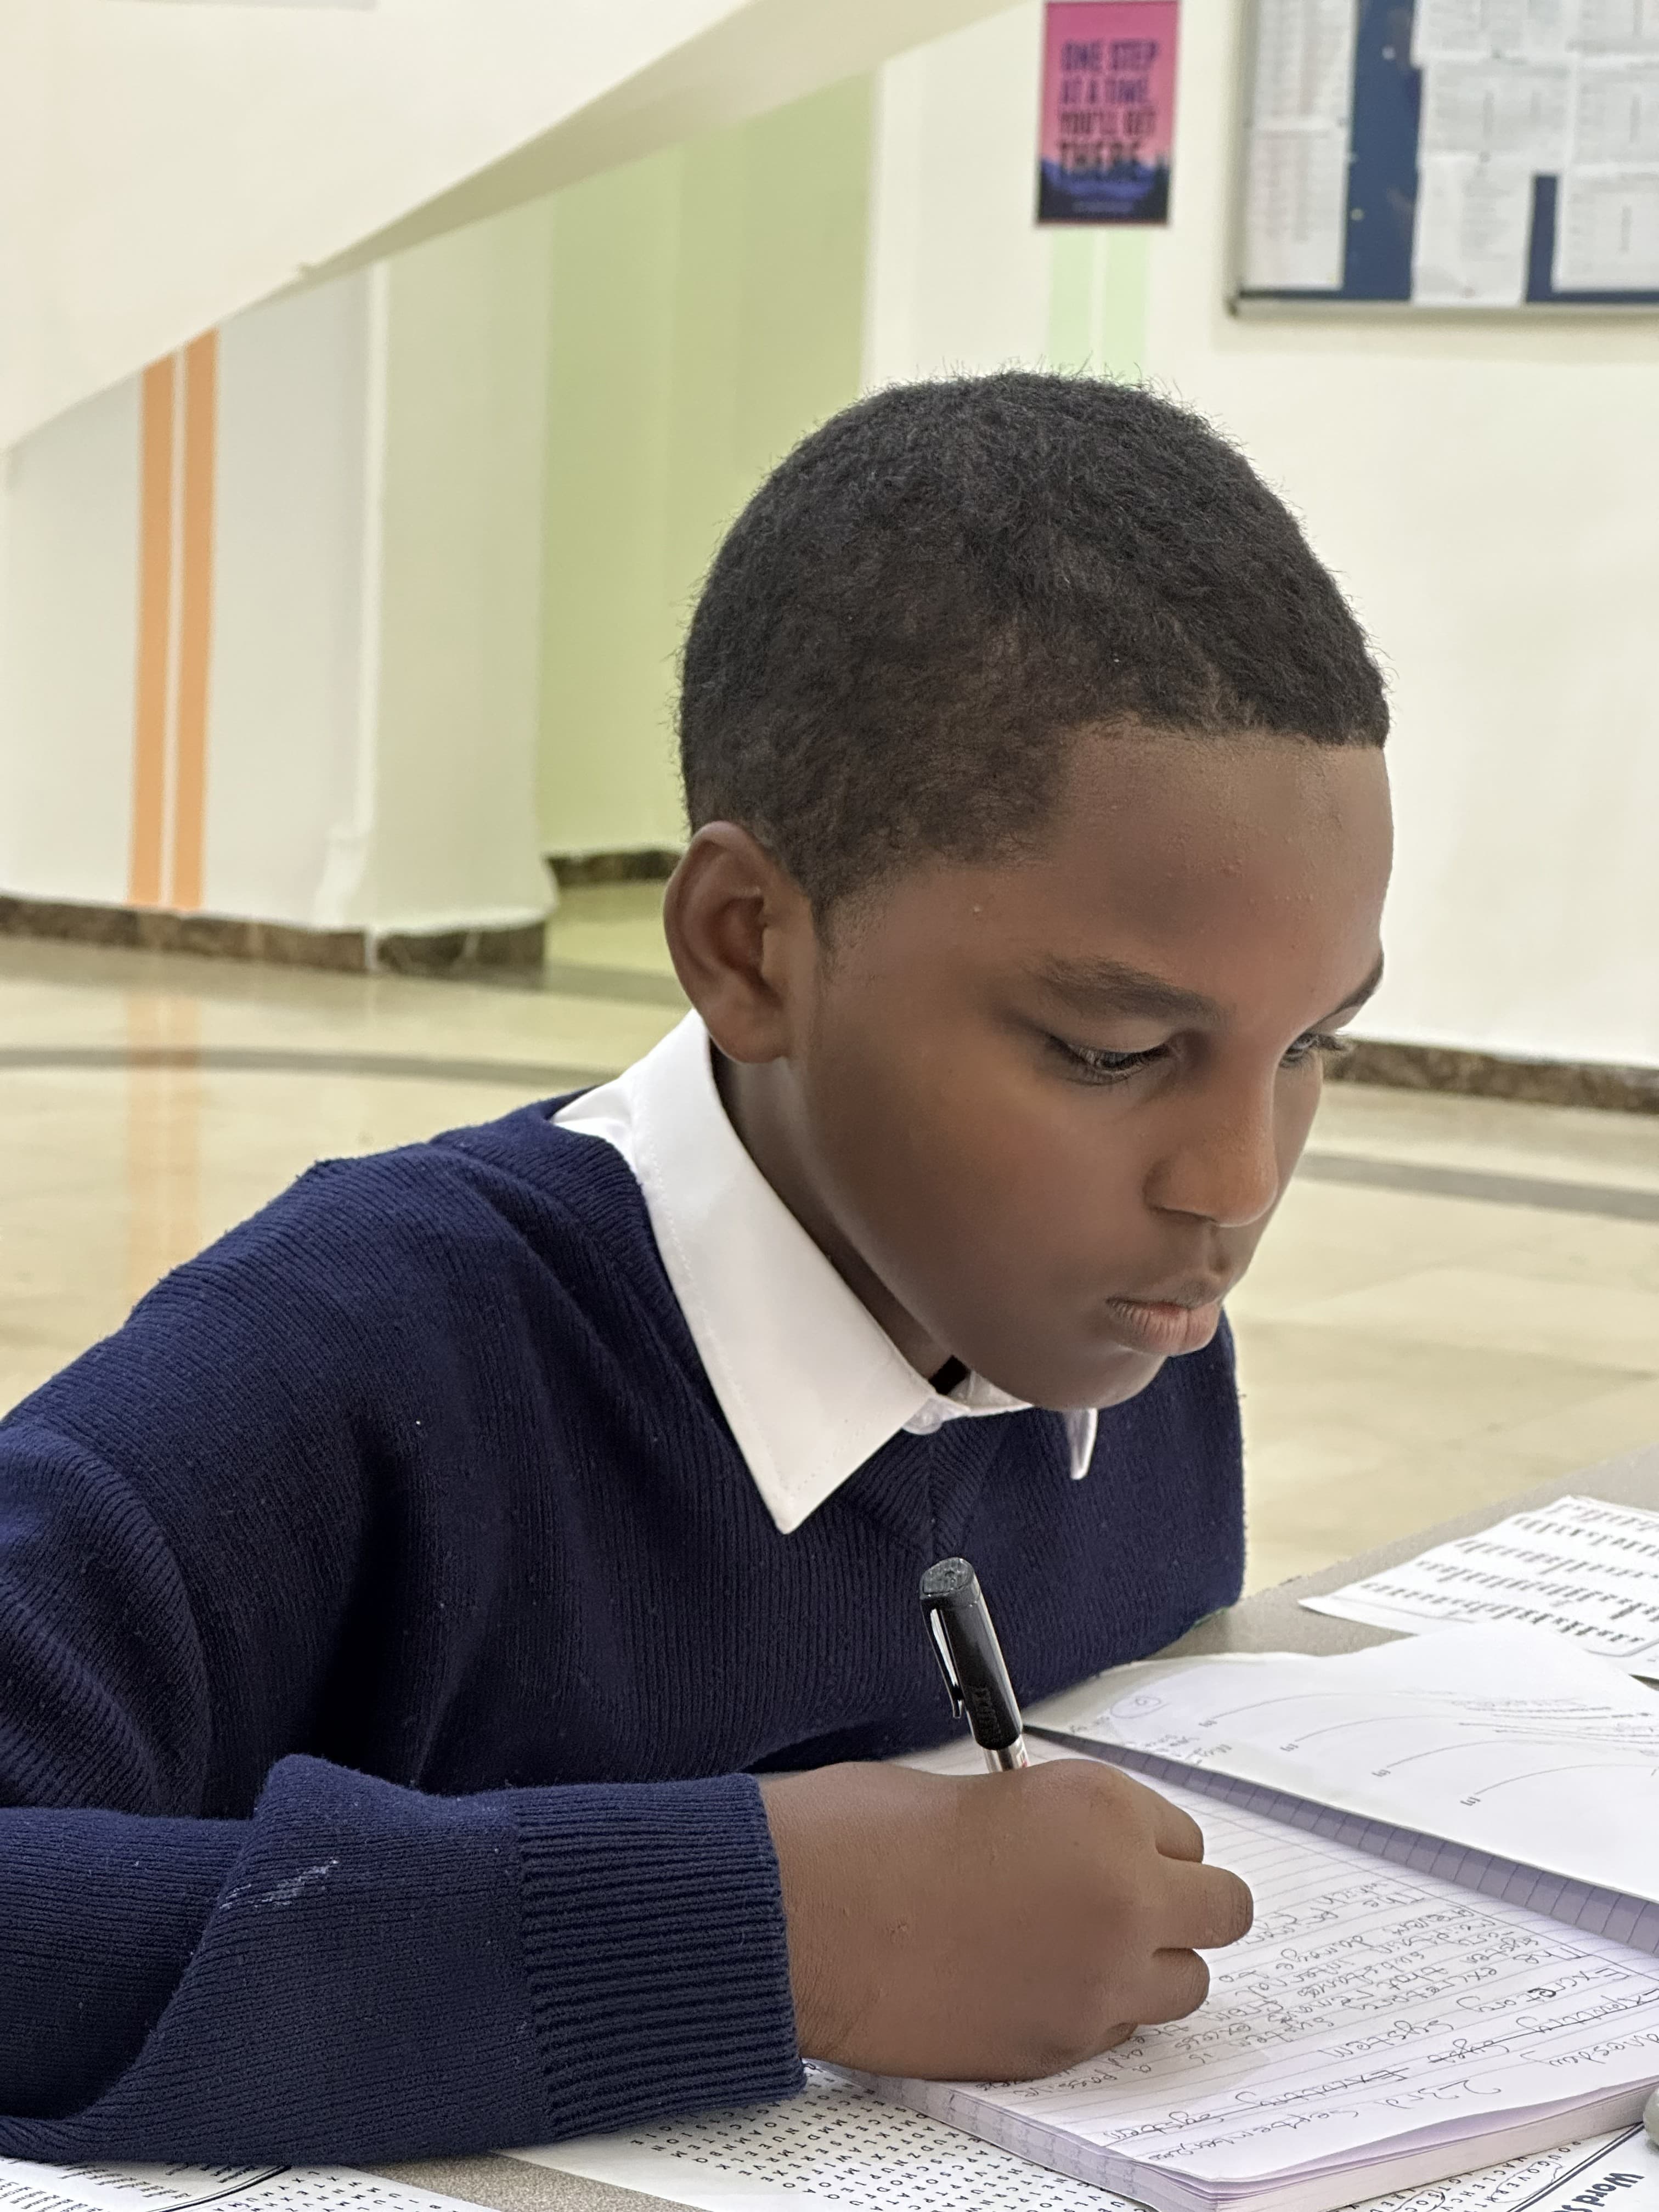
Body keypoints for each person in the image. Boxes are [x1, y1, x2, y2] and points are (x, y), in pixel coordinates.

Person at [0, 372, 1392, 2163]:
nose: (1237, 1180)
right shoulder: (354, 1355)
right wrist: (770, 1928)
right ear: (749, 948)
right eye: (1114, 1054)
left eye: (1313, 1047)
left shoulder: (1125, 1332)